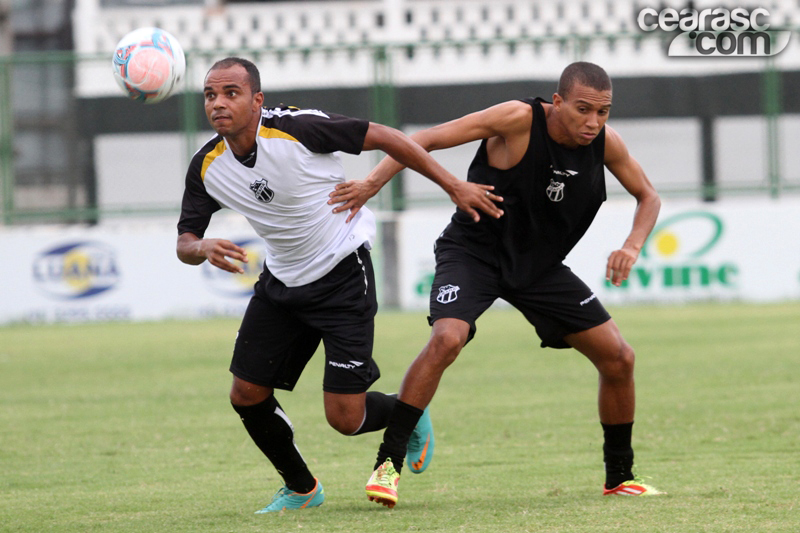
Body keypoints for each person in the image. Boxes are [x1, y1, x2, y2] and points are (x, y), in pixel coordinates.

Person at [176, 57, 502, 514]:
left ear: (257, 99)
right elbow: (184, 240)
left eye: (231, 92)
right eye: (211, 95)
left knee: (345, 420)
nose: (219, 103)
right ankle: (301, 488)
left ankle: (405, 412)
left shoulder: (299, 128)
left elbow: (388, 137)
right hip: (282, 283)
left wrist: (451, 185)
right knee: (245, 394)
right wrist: (201, 247)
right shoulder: (207, 165)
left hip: (342, 275)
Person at [329, 61, 663, 507]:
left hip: (539, 269)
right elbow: (423, 140)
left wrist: (633, 245)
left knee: (619, 357)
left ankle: (620, 476)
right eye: (583, 110)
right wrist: (372, 182)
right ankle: (387, 465)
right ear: (557, 101)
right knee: (448, 338)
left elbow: (649, 196)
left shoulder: (606, 144)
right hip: (475, 253)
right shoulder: (517, 119)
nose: (593, 122)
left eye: (603, 112)